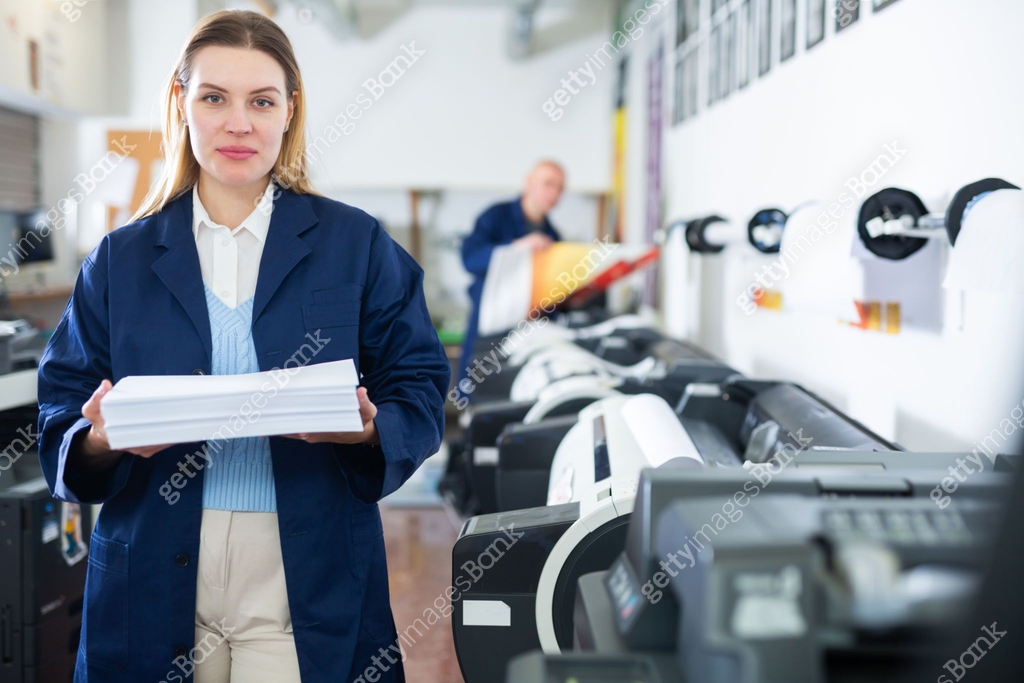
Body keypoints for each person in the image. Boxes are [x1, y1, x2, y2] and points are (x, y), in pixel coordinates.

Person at [35, 10, 449, 683]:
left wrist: (370, 429)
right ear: (182, 104)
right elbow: (59, 412)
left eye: (261, 101)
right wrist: (101, 437)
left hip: (302, 576)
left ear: (290, 111)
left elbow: (420, 384)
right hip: (154, 567)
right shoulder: (119, 260)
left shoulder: (356, 245)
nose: (238, 123)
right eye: (213, 98)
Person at [458, 161, 565, 390]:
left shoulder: (554, 237)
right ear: (529, 183)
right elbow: (470, 259)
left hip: (528, 331)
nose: (554, 194)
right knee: (475, 389)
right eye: (548, 184)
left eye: (560, 188)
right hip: (490, 325)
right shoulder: (495, 217)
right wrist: (517, 247)